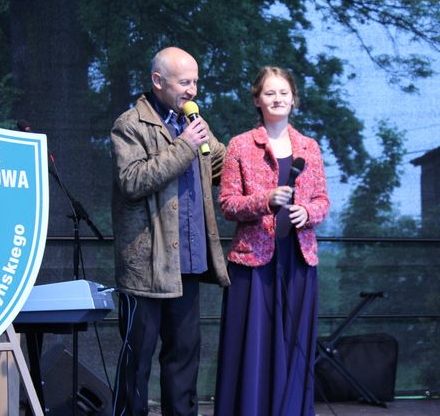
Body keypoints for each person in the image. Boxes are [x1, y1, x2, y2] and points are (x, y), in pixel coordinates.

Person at [110, 46, 230, 416]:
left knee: (184, 358)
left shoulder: (194, 124)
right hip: (146, 269)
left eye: (195, 82)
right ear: (158, 81)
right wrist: (184, 147)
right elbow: (132, 181)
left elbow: (222, 166)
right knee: (137, 360)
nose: (192, 90)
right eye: (184, 82)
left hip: (188, 264)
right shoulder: (130, 124)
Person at [214, 66, 330, 416]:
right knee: (254, 345)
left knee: (294, 345)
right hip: (253, 261)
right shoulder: (240, 145)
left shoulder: (309, 147)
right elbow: (227, 204)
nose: (277, 99)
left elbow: (322, 201)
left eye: (283, 93)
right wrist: (264, 200)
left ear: (294, 99)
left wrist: (307, 212)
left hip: (297, 259)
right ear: (257, 100)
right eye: (269, 93)